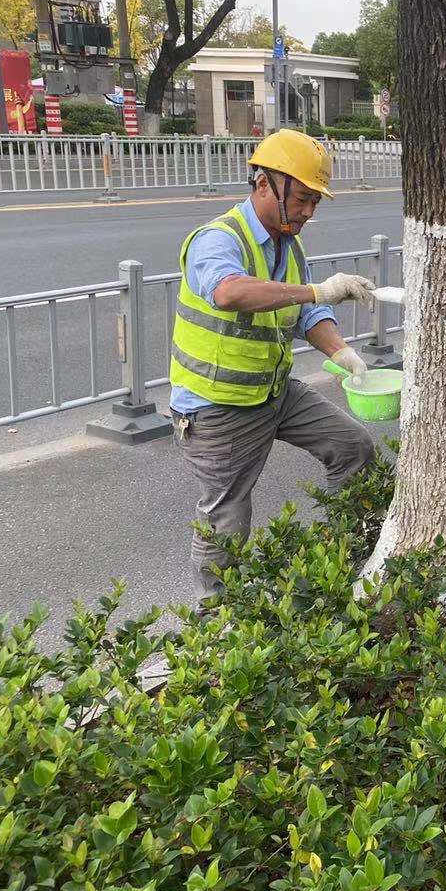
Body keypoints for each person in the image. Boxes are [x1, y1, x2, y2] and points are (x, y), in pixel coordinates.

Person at [168, 129, 379, 598]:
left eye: (315, 202)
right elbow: (229, 291)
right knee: (226, 518)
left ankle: (339, 562)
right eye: (302, 198)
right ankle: (215, 626)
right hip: (217, 406)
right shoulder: (218, 239)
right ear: (265, 184)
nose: (308, 212)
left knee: (354, 448)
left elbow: (307, 313)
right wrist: (319, 289)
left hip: (274, 392)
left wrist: (342, 353)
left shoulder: (287, 242)